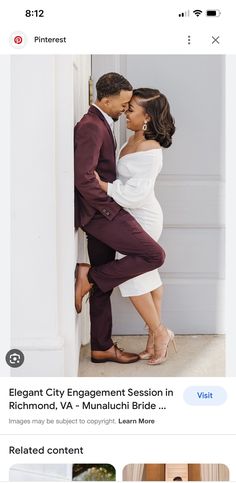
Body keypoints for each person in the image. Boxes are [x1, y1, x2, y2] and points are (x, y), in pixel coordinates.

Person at [74, 73, 166, 364]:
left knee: (145, 268)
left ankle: (153, 334)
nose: (125, 110)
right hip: (108, 212)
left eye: (131, 107)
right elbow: (85, 176)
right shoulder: (94, 125)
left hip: (127, 211)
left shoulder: (111, 127)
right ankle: (105, 344)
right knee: (146, 268)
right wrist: (107, 205)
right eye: (124, 104)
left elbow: (115, 182)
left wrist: (107, 193)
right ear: (106, 99)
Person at [95, 88, 176, 365]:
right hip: (132, 216)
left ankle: (160, 332)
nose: (125, 112)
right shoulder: (131, 139)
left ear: (147, 118)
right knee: (148, 276)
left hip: (143, 217)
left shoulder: (150, 150)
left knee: (132, 276)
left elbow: (136, 194)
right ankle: (155, 339)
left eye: (131, 109)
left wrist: (103, 186)